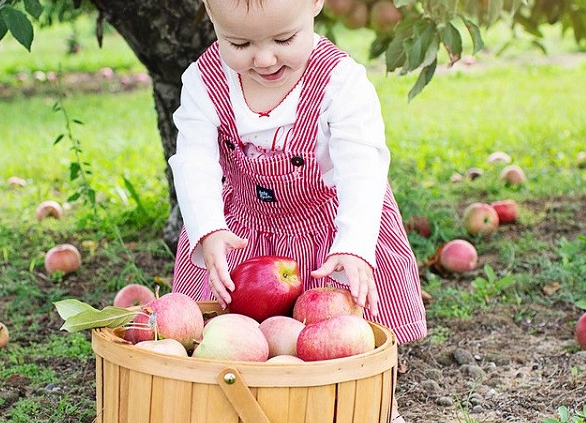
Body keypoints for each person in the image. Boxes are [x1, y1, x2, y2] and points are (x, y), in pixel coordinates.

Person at [168, 0, 427, 420]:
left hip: (328, 233)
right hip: (243, 233)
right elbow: (194, 159)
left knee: (345, 334)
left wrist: (356, 245)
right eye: (239, 42)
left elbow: (363, 165)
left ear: (315, 5)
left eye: (284, 39)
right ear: (210, 18)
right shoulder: (204, 80)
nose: (264, 58)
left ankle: (368, 406)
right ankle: (241, 405)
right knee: (236, 336)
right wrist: (208, 228)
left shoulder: (338, 81)